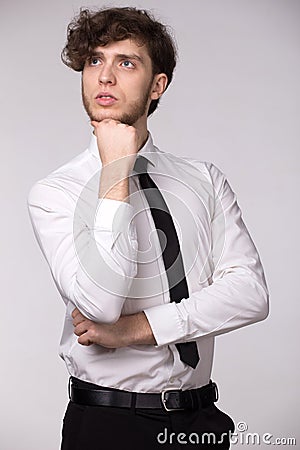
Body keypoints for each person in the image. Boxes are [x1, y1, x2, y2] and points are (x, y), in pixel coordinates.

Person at [27, 6, 269, 450]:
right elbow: (100, 305)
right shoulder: (55, 192)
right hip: (108, 425)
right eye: (94, 60)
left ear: (157, 85)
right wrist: (116, 169)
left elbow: (250, 295)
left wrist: (139, 329)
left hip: (202, 422)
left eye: (126, 62)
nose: (104, 76)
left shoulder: (204, 180)